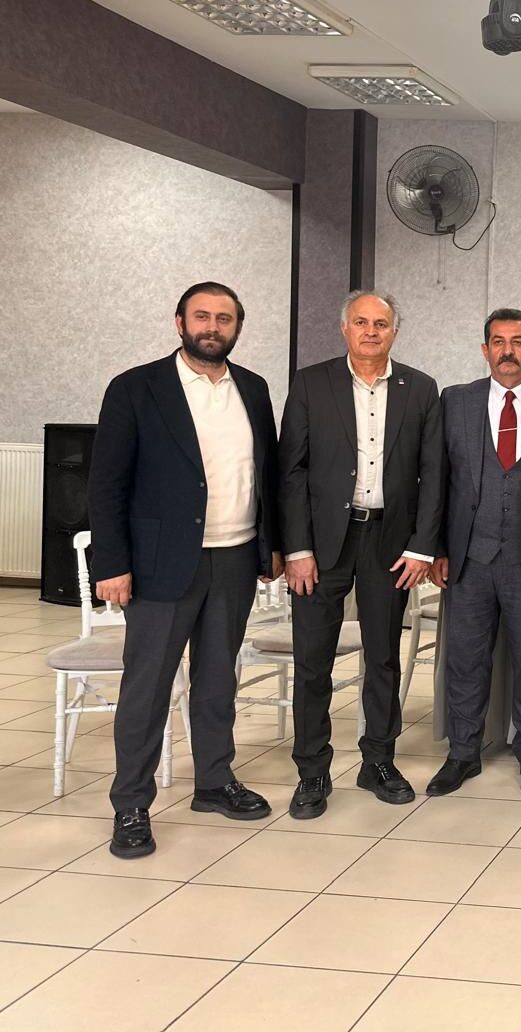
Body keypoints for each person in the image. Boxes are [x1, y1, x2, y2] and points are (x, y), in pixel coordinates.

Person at [88, 282, 282, 858]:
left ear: (237, 327)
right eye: (202, 316)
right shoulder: (135, 388)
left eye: (224, 318)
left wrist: (271, 545)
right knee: (147, 688)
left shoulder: (253, 388)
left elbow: (266, 473)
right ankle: (131, 804)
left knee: (219, 680)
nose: (212, 327)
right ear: (180, 322)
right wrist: (112, 563)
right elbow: (107, 484)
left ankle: (214, 782)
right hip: (159, 565)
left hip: (235, 557)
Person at [279, 291, 445, 819]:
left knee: (383, 657)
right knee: (313, 660)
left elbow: (434, 473)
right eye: (361, 322)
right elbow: (291, 471)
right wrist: (297, 548)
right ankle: (312, 770)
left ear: (395, 331)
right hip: (321, 545)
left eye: (381, 324)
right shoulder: (311, 383)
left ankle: (378, 761)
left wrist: (422, 545)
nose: (371, 331)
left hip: (389, 543)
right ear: (344, 329)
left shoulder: (421, 388)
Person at [425, 308, 521, 799]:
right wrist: (437, 547)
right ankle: (463, 752)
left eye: (517, 342)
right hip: (468, 559)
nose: (507, 351)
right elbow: (437, 480)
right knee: (466, 660)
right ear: (485, 349)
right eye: (497, 341)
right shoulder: (455, 402)